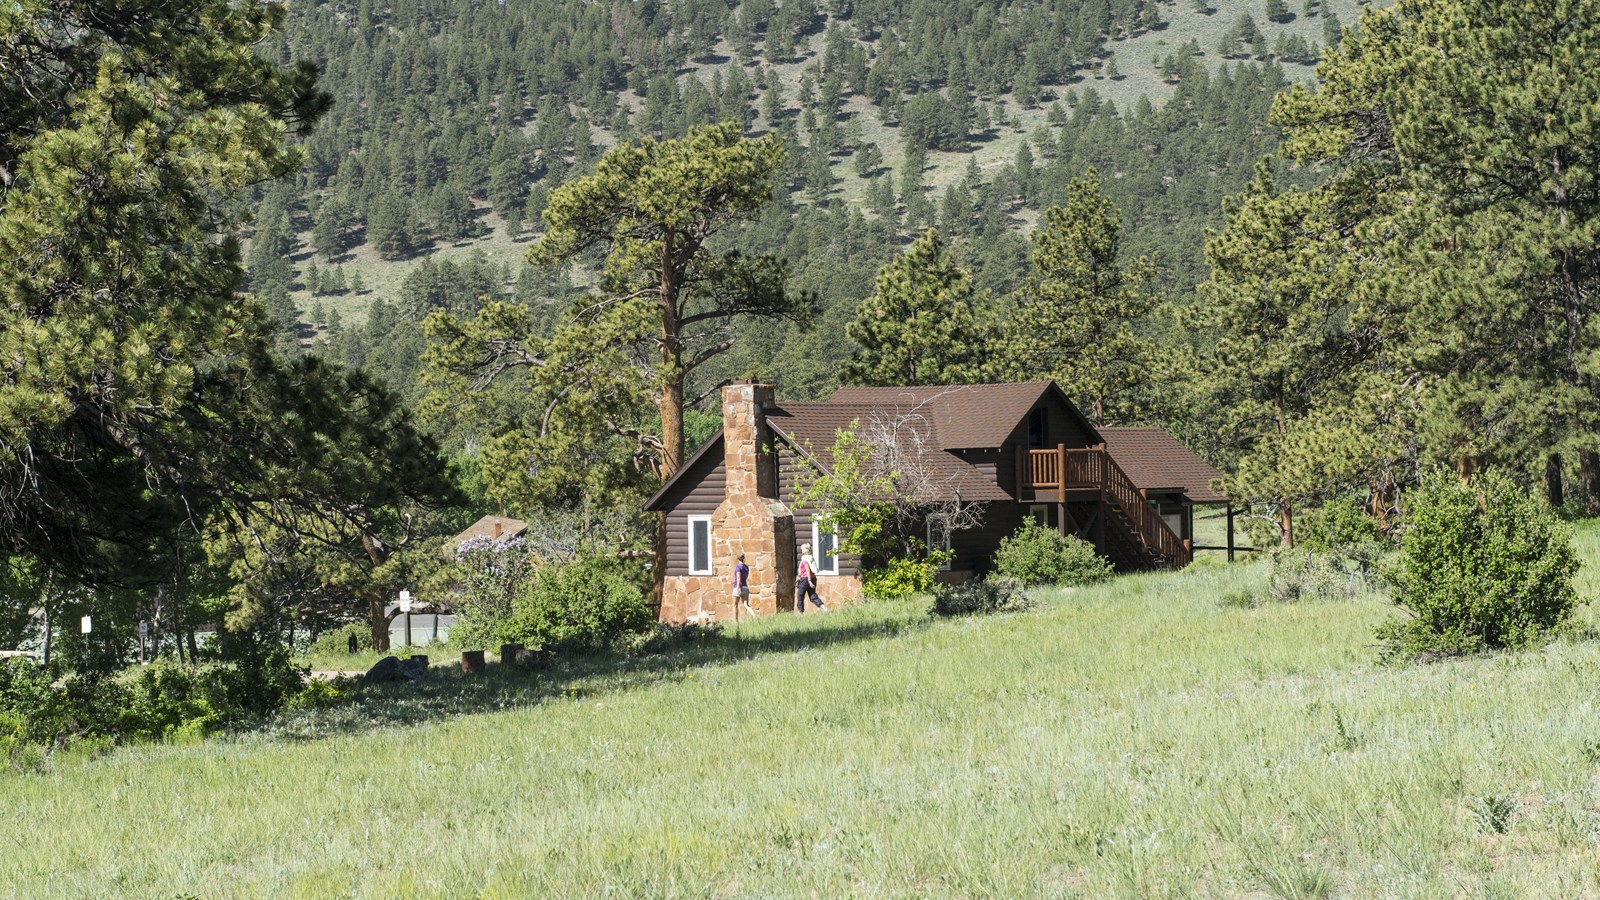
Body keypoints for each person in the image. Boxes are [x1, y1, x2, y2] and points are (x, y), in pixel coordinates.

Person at [796, 542, 826, 613]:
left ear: (806, 549)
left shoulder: (805, 558)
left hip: (806, 579)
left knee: (800, 595)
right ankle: (824, 608)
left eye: (802, 549)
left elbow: (807, 569)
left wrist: (809, 581)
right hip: (813, 578)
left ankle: (801, 612)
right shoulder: (811, 558)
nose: (801, 550)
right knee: (812, 595)